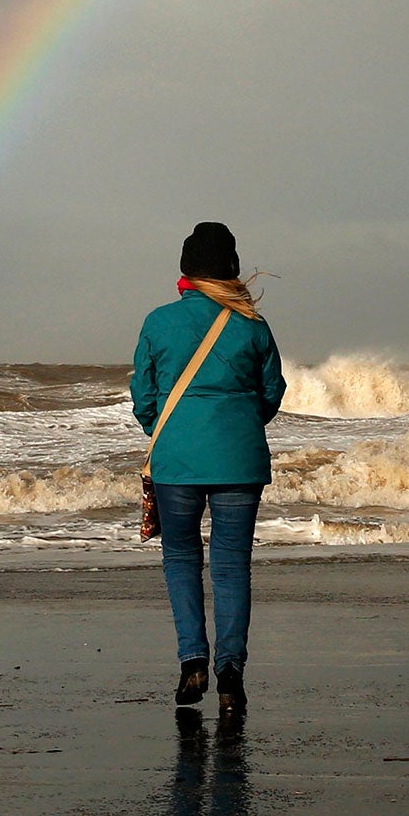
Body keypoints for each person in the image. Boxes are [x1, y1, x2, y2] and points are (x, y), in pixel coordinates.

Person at [131, 222, 286, 715]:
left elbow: (144, 397)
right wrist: (238, 425)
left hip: (177, 460)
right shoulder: (253, 326)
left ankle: (191, 661)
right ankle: (230, 675)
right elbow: (272, 392)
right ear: (232, 269)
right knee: (230, 567)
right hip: (240, 459)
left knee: (180, 560)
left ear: (186, 270)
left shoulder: (159, 321)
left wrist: (170, 429)